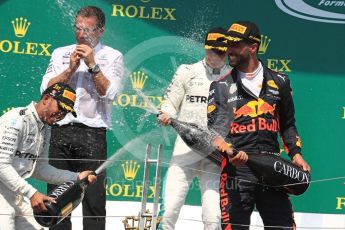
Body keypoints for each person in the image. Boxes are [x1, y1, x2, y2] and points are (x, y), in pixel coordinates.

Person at [207, 21, 311, 229]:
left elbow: (288, 124)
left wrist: (296, 154)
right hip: (237, 171)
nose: (230, 51)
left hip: (272, 167)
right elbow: (214, 132)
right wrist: (228, 151)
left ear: (252, 47)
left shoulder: (280, 81)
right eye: (228, 45)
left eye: (235, 45)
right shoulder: (220, 86)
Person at [40, 6, 124, 230]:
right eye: (77, 28)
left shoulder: (113, 56)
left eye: (87, 29)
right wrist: (70, 69)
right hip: (61, 132)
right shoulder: (60, 53)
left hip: (93, 135)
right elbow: (45, 89)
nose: (81, 34)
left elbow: (112, 94)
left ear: (100, 31)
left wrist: (93, 65)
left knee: (94, 202)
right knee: (57, 200)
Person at [157, 27, 231, 230]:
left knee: (214, 217)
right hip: (184, 154)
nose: (216, 55)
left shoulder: (234, 77)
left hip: (215, 156)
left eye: (221, 51)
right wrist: (166, 113)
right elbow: (170, 103)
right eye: (212, 50)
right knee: (168, 212)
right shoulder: (187, 71)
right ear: (205, 48)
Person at [0, 82, 97, 230]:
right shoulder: (16, 119)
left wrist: (76, 178)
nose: (61, 115)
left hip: (13, 194)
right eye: (60, 108)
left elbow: (41, 169)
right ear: (46, 98)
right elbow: (1, 165)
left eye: (66, 112)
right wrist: (32, 193)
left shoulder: (45, 129)